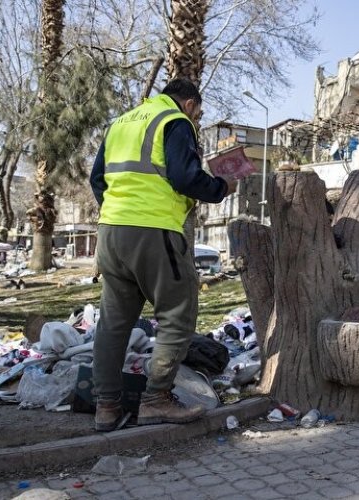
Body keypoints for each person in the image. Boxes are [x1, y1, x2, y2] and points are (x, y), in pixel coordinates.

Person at [89, 78, 237, 432]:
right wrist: (221, 187)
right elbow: (186, 177)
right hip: (154, 231)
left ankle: (106, 407)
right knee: (177, 312)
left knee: (112, 323)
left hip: (110, 232)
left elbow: (97, 179)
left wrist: (119, 214)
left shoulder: (122, 122)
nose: (197, 120)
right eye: (198, 114)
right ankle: (157, 400)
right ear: (189, 104)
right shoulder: (175, 121)